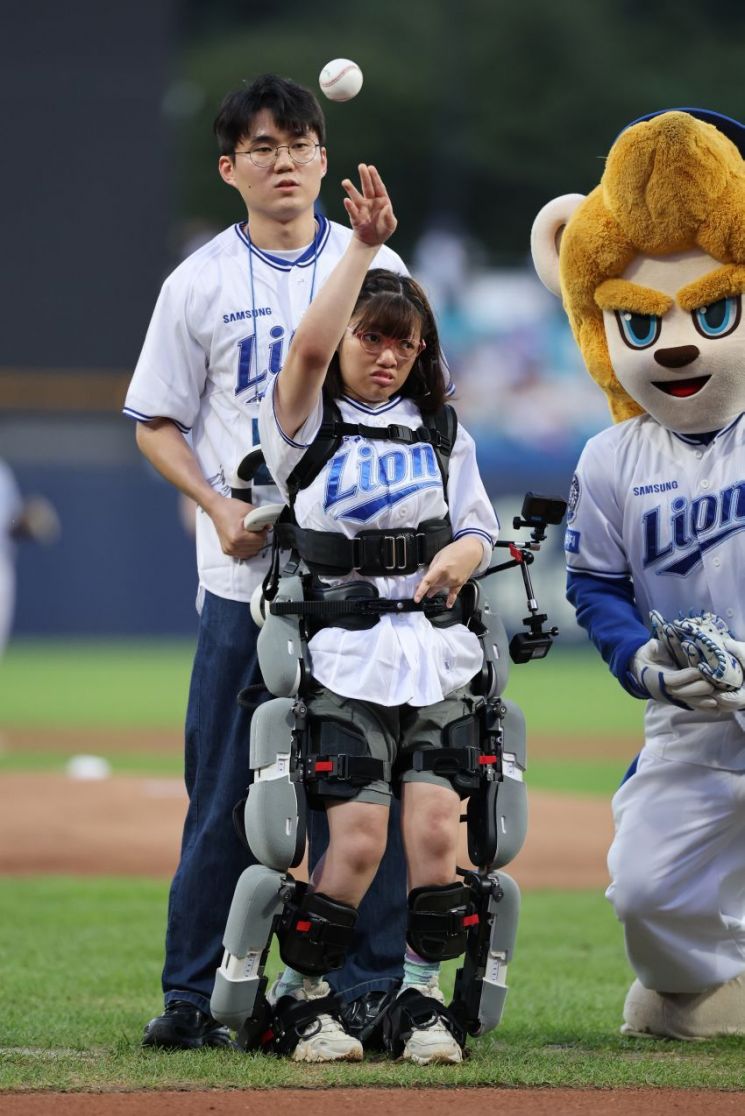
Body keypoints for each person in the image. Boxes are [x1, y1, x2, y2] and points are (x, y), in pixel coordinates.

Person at [123, 74, 414, 1051]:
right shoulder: (199, 280)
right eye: (260, 145)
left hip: (364, 589)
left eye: (298, 141)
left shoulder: (379, 264)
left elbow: (417, 408)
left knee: (362, 787)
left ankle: (364, 986)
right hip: (243, 584)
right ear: (229, 167)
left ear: (323, 158)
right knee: (225, 792)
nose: (282, 159)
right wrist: (212, 505)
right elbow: (154, 419)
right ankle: (193, 995)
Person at [257, 164, 499, 1064]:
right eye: (372, 337)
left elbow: (477, 524)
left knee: (437, 835)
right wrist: (362, 247)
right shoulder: (304, 422)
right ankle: (301, 1000)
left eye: (403, 342)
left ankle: (419, 1003)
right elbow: (307, 355)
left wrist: (465, 552)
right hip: (346, 656)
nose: (386, 355)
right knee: (356, 842)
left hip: (435, 655)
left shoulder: (442, 431)